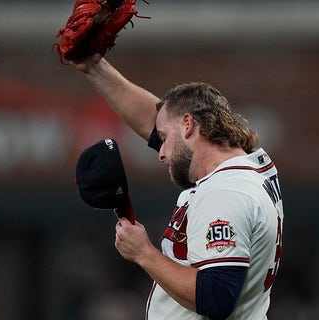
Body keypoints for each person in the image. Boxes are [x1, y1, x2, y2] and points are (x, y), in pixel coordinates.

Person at [72, 54, 284, 319]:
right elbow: (158, 122)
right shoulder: (250, 166)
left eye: (163, 139)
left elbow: (216, 297)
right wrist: (95, 67)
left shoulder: (224, 193)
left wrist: (144, 253)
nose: (160, 153)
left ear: (188, 125)